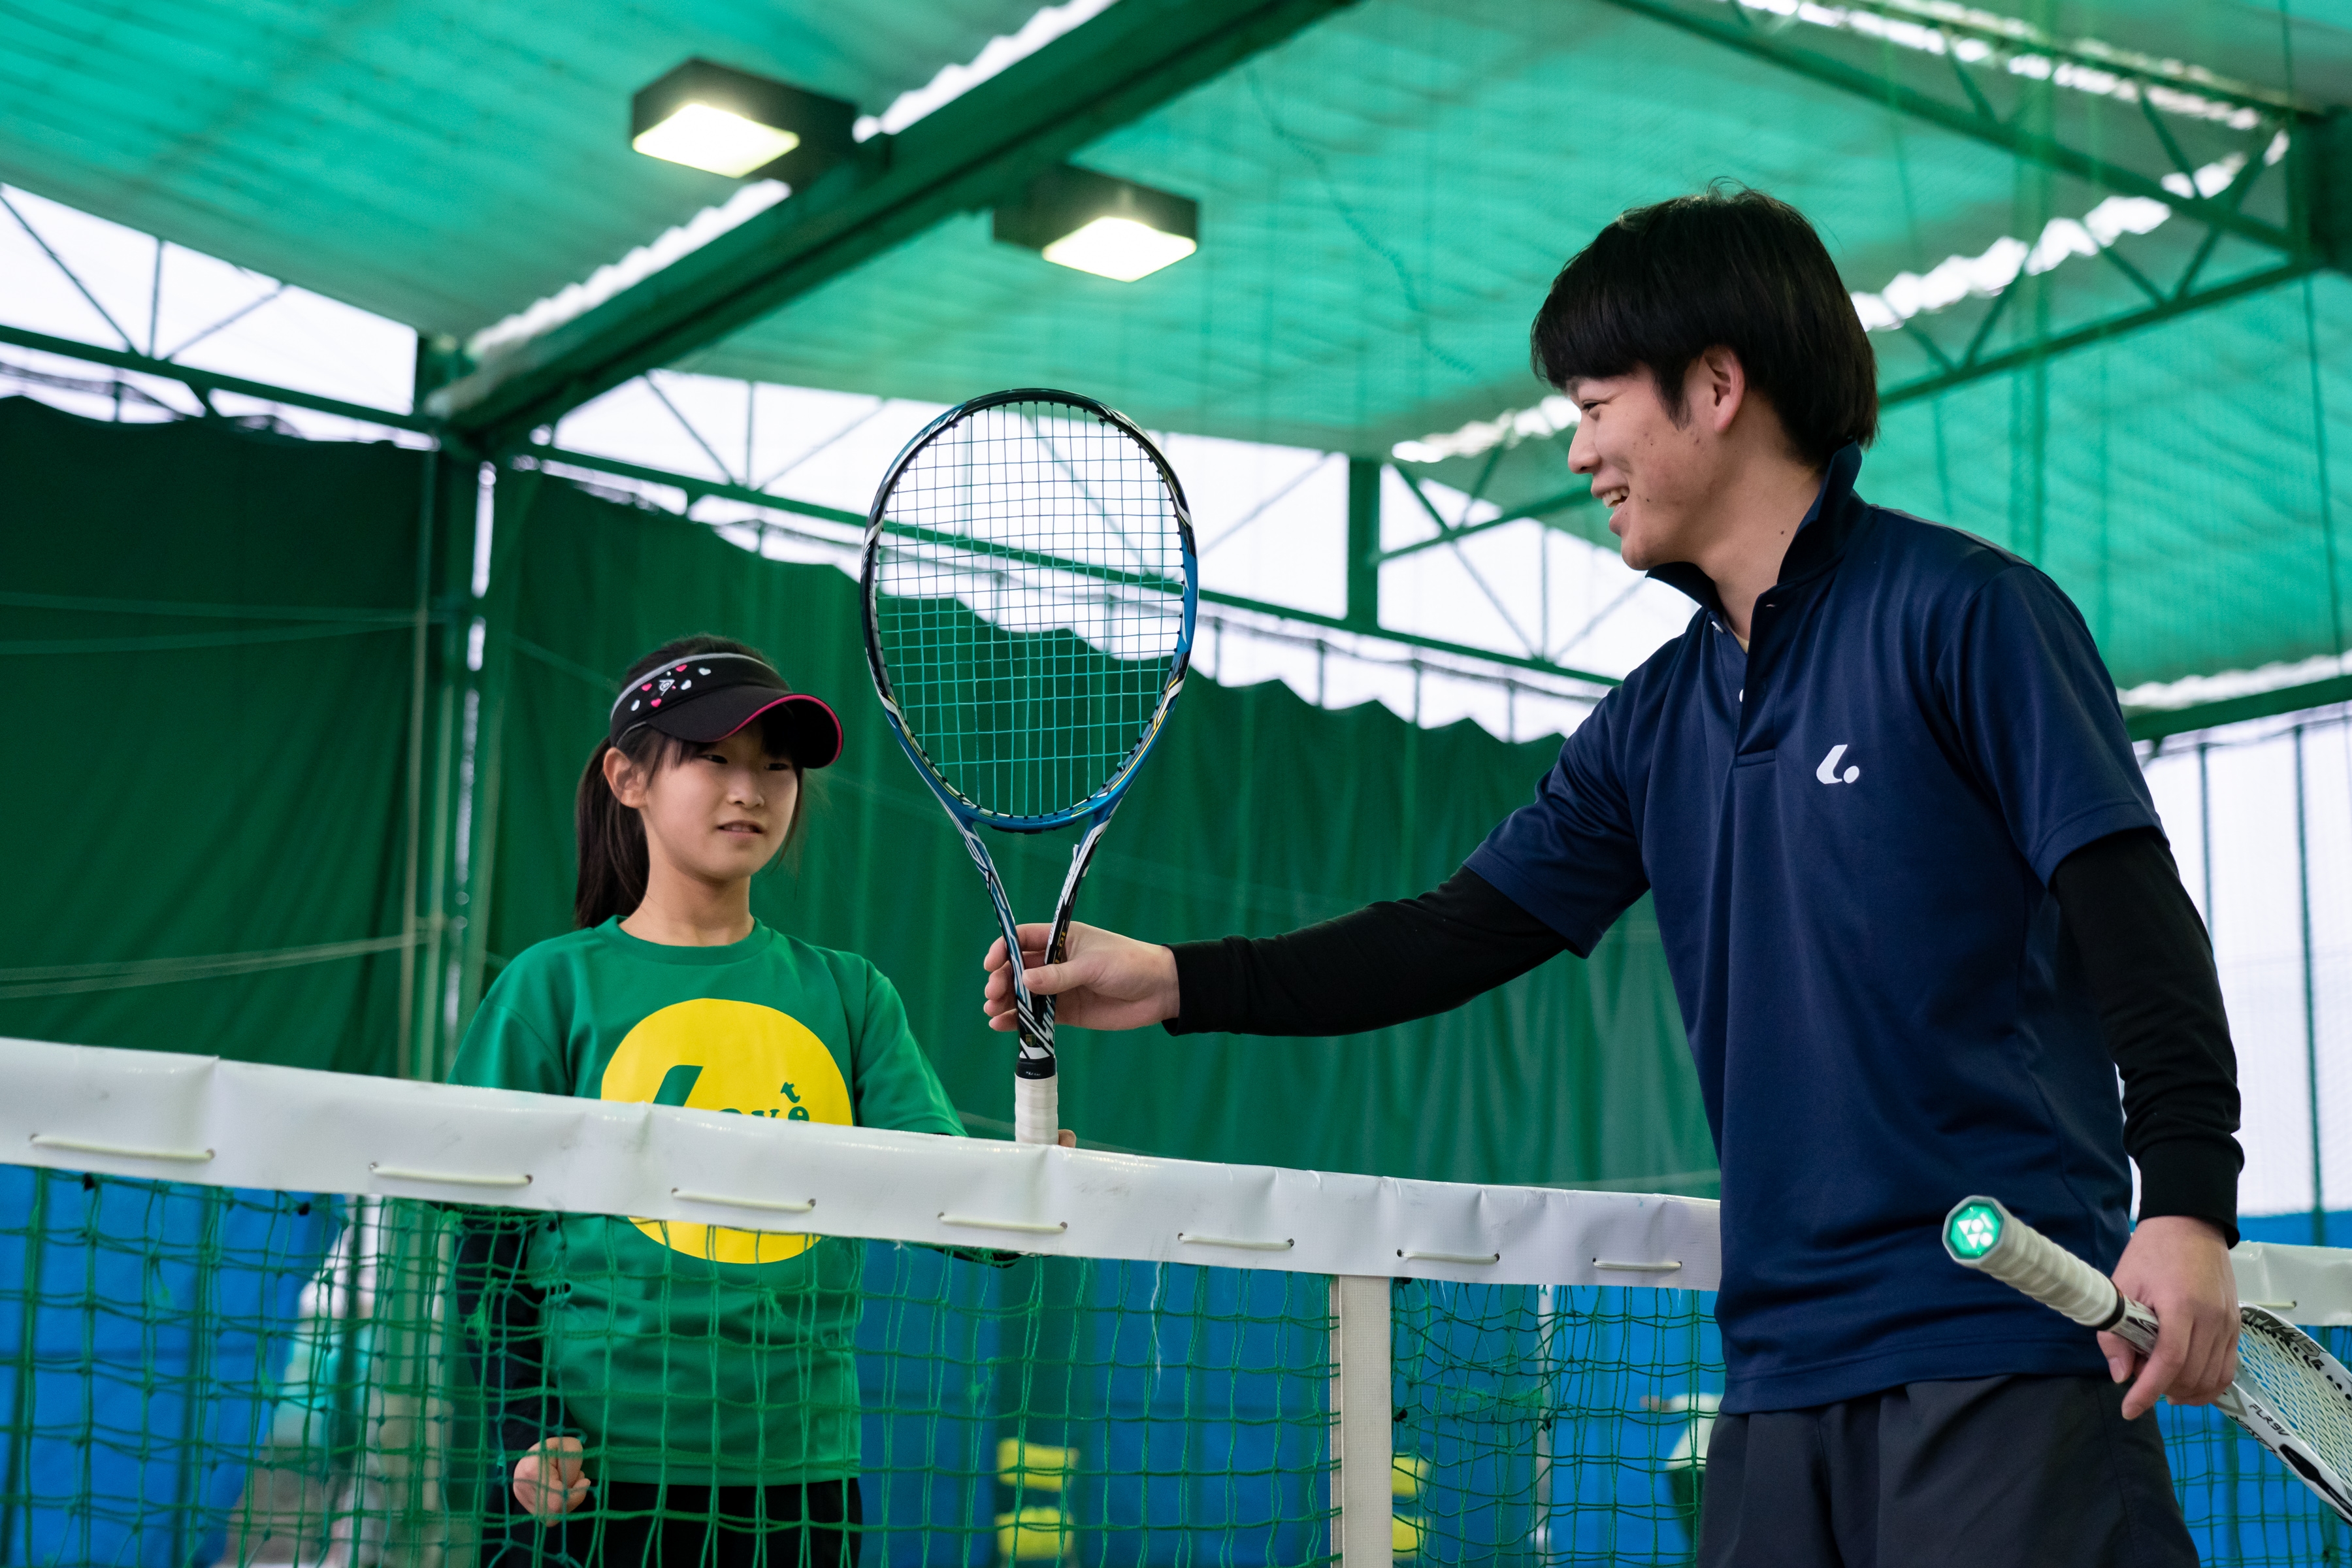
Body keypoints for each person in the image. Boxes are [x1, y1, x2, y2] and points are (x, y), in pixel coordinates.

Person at [981, 189, 2242, 1565]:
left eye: (1595, 405)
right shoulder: (1653, 723)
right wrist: (1175, 981)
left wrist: (2188, 1205)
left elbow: (2140, 925)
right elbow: (1454, 934)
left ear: (1718, 386)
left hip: (2003, 1347)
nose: (1579, 451)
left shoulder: (1970, 618)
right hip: (1778, 1380)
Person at [451, 634, 970, 1568]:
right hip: (586, 1485)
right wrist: (528, 1426)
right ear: (628, 779)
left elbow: (958, 1203)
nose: (751, 791)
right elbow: (486, 1253)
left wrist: (1038, 1188)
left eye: (776, 767)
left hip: (799, 1492)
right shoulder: (549, 988)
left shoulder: (852, 995)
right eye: (713, 759)